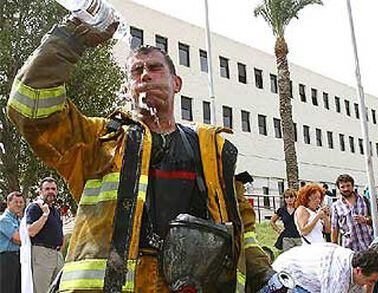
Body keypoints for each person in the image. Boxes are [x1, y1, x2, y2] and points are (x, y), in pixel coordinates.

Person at [7, 17, 276, 292]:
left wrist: (263, 274)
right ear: (127, 89)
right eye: (136, 71)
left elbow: (243, 227)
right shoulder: (97, 140)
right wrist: (71, 37)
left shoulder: (211, 150)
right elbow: (29, 108)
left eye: (155, 68)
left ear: (177, 83)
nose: (145, 74)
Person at [272, 242, 378, 293]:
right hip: (288, 275)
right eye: (371, 281)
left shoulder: (356, 264)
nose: (370, 285)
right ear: (359, 270)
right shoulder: (338, 275)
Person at [26, 177, 64, 293]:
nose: (50, 191)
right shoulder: (35, 207)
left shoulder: (56, 210)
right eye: (47, 189)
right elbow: (31, 231)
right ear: (41, 191)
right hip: (42, 254)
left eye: (53, 189)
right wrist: (45, 215)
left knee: (58, 289)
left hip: (57, 255)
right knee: (42, 290)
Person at [331, 174, 373, 252]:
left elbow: (375, 220)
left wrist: (365, 220)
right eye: (342, 187)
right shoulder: (336, 206)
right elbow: (334, 228)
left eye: (348, 185)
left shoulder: (364, 200)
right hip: (349, 249)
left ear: (353, 186)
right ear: (339, 189)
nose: (346, 189)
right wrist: (334, 247)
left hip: (368, 245)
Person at [0, 191, 25, 293]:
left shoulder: (19, 220)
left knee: (18, 289)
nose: (19, 204)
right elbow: (18, 239)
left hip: (18, 257)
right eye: (16, 202)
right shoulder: (4, 220)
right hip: (7, 259)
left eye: (21, 202)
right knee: (7, 289)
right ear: (8, 203)